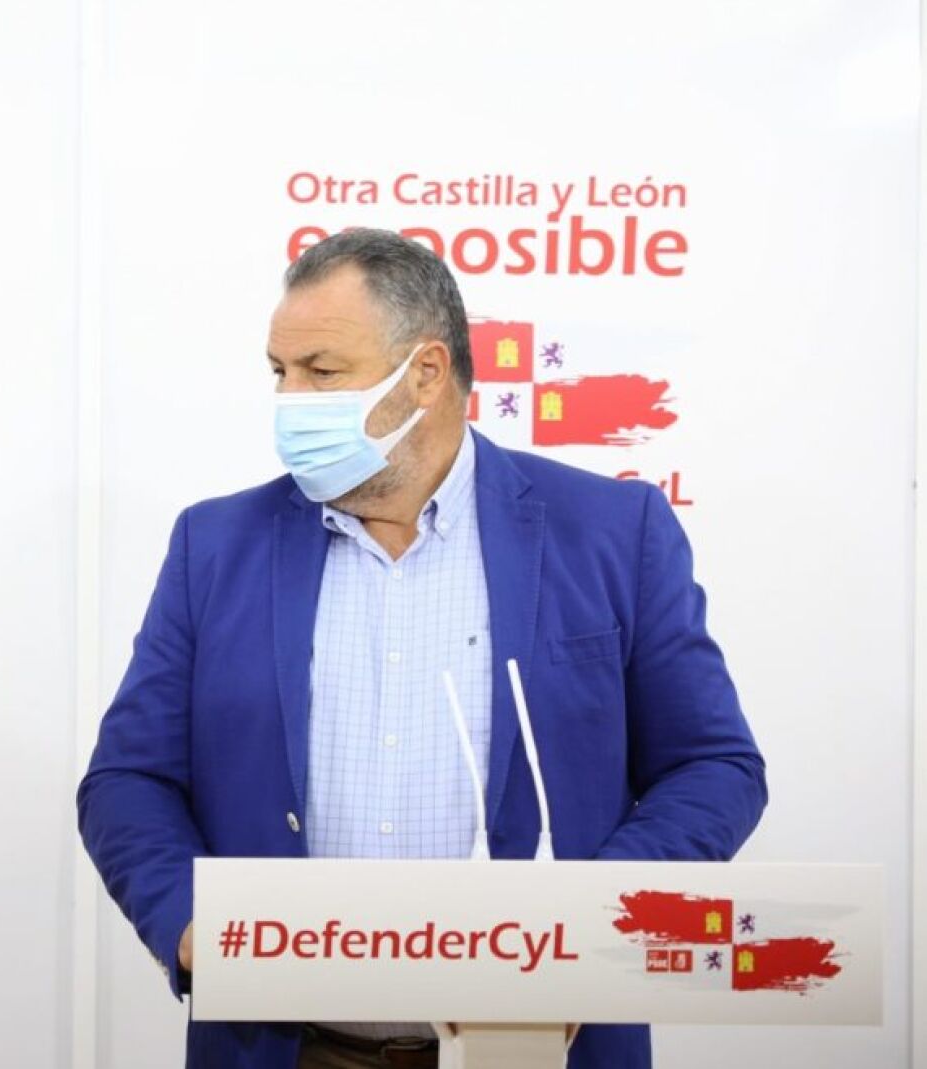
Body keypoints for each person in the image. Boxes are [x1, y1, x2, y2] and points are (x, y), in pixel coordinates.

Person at [77, 229, 766, 1068]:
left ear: (427, 374)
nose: (290, 400)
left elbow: (714, 767)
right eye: (278, 371)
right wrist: (190, 921)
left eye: (321, 371)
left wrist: (591, 924)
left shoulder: (614, 532)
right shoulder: (215, 545)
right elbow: (128, 779)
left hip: (534, 1048)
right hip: (284, 1048)